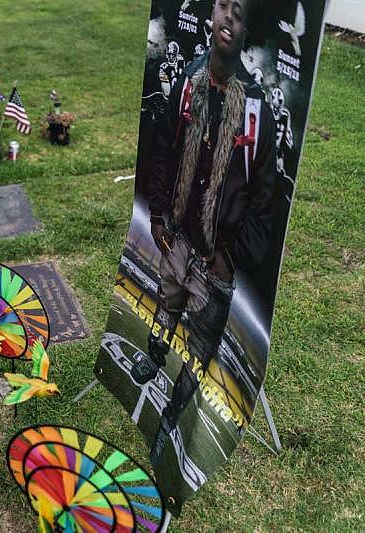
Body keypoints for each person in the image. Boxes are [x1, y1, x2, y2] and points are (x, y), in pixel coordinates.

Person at [131, 0, 276, 465]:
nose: (227, 17)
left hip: (219, 256)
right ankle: (154, 353)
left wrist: (229, 258)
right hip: (180, 234)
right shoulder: (187, 87)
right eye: (222, 6)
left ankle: (172, 419)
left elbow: (264, 202)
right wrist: (157, 217)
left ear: (247, 30)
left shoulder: (258, 116)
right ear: (212, 15)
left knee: (200, 346)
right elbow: (162, 155)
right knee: (168, 297)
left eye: (239, 12)